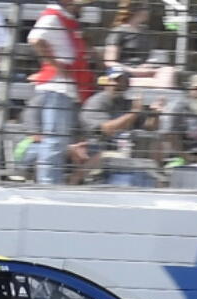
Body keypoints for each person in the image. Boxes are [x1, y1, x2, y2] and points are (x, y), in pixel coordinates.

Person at [27, 0, 96, 185]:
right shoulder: (53, 17)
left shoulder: (65, 20)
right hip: (56, 88)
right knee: (55, 140)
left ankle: (49, 182)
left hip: (62, 88)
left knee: (57, 141)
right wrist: (56, 65)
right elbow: (35, 39)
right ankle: (48, 184)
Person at [79, 67, 164, 185]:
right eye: (116, 80)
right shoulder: (96, 102)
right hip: (98, 153)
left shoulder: (127, 104)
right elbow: (106, 130)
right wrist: (133, 113)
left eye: (124, 81)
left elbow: (150, 128)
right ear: (107, 82)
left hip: (125, 154)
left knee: (154, 144)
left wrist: (155, 114)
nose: (119, 84)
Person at [104, 0, 176, 89]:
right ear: (135, 10)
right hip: (125, 72)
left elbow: (150, 57)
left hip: (144, 71)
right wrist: (133, 71)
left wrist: (148, 65)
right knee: (162, 83)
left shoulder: (145, 33)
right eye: (146, 8)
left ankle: (159, 87)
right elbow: (109, 62)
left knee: (168, 71)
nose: (149, 11)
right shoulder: (118, 32)